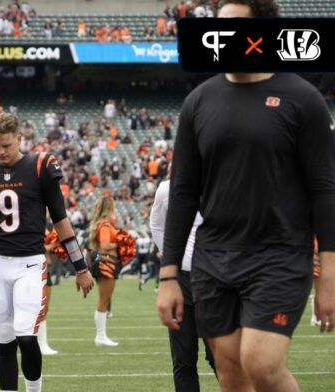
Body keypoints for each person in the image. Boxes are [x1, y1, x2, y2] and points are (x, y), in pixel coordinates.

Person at [157, 2, 335, 392]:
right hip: (213, 259)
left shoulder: (303, 100)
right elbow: (183, 193)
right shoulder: (198, 102)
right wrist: (169, 274)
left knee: (261, 364)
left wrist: (330, 276)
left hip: (280, 255)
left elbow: (324, 193)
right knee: (231, 372)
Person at [0, 113, 95, 392]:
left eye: (6, 145)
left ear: (19, 138)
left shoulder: (40, 165)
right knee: (4, 339)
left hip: (30, 264)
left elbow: (60, 220)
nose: (1, 152)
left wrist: (80, 267)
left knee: (26, 335)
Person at [150, 179, 215, 391]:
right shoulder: (167, 188)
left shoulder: (223, 181)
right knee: (183, 359)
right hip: (181, 280)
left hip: (216, 279)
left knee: (222, 357)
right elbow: (156, 225)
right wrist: (172, 258)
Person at [87, 195, 120, 347]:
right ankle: (100, 336)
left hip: (104, 262)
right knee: (104, 300)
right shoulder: (106, 225)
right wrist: (121, 243)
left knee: (104, 300)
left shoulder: (101, 224)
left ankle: (101, 336)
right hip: (106, 262)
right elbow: (105, 245)